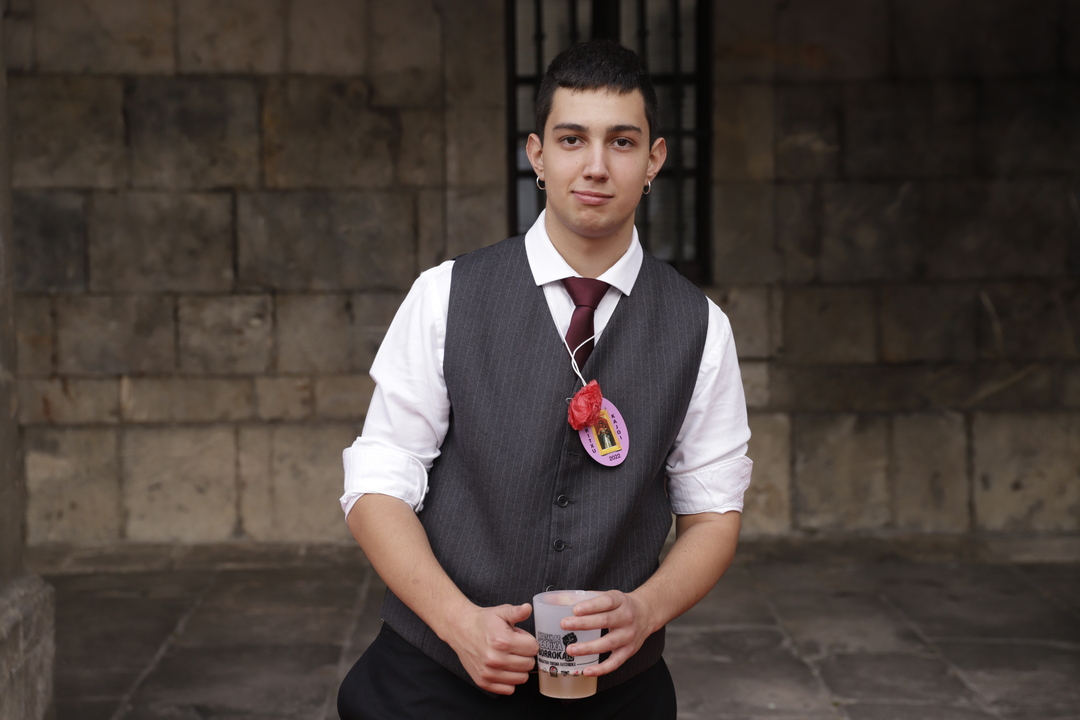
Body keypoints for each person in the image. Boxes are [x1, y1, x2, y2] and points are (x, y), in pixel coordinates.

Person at [337, 39, 751, 720]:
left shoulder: (701, 327)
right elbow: (378, 484)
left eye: (622, 142)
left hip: (612, 691)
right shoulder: (445, 295)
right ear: (537, 154)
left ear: (654, 160)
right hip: (433, 681)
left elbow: (712, 515)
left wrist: (646, 609)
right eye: (571, 139)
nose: (595, 166)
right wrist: (458, 623)